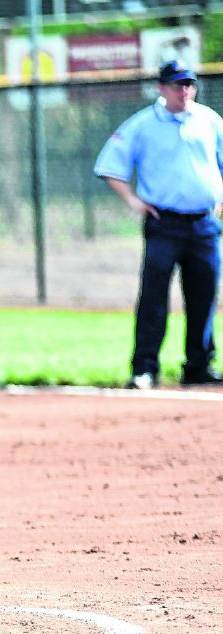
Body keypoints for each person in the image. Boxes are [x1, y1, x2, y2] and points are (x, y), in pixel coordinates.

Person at [94, 59, 223, 389]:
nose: (185, 90)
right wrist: (134, 201)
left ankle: (198, 366)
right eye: (178, 84)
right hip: (164, 224)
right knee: (153, 298)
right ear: (161, 88)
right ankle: (145, 368)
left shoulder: (209, 121)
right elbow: (111, 165)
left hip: (204, 225)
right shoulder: (143, 124)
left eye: (189, 84)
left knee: (204, 297)